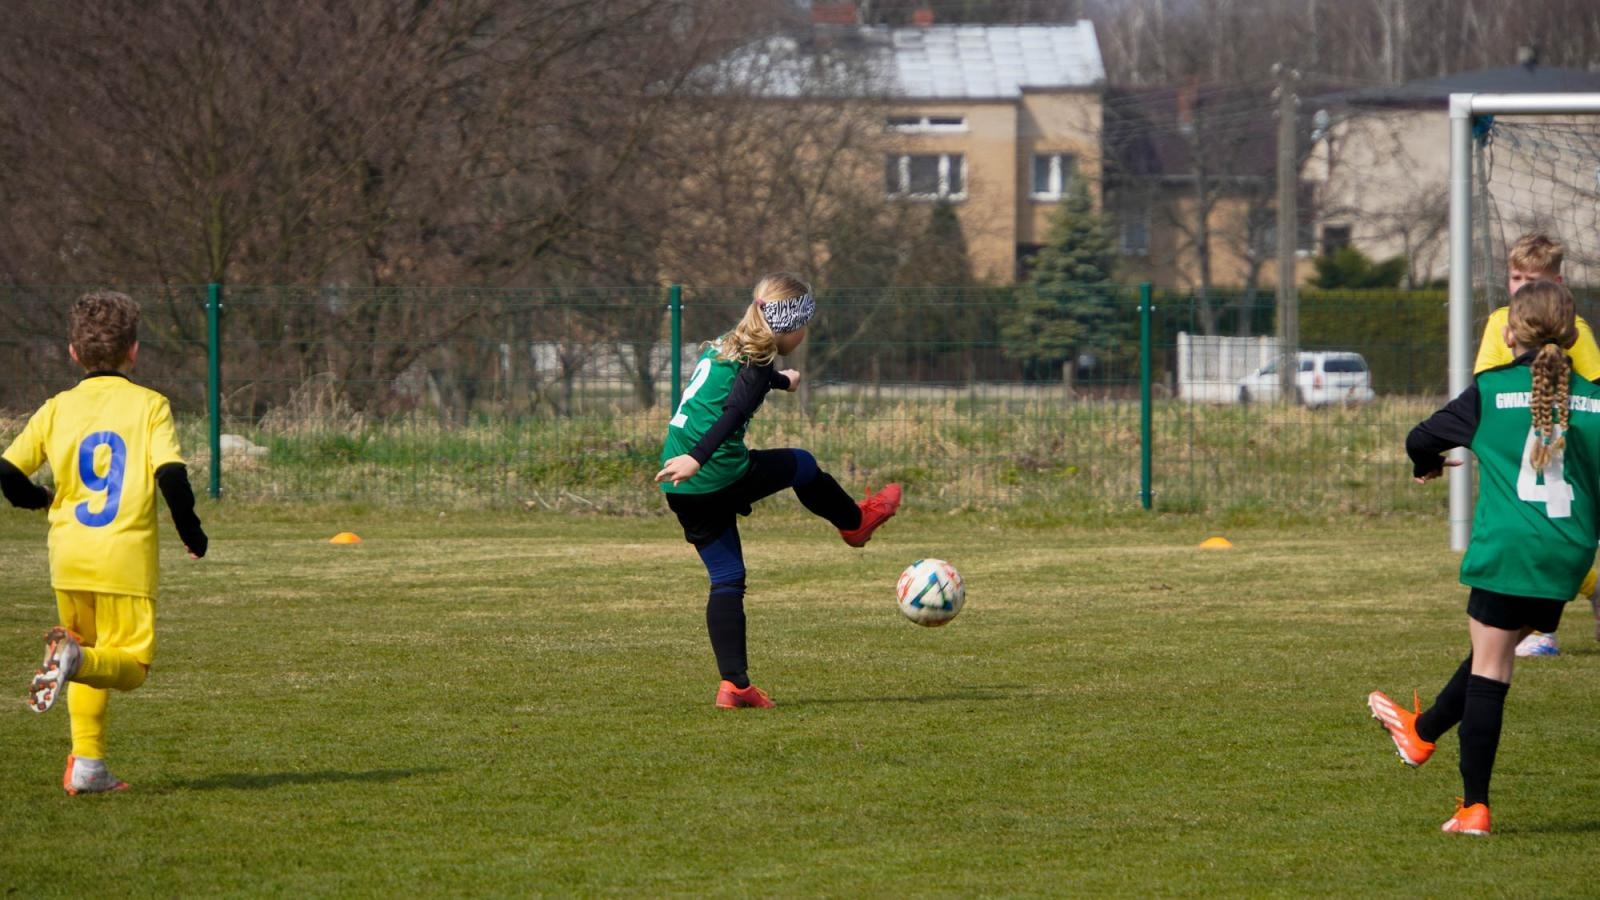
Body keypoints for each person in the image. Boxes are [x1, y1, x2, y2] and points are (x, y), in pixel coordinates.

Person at [1370, 280, 1600, 835]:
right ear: (1572, 334)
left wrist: (1427, 464)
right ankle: (1421, 732)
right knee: (1492, 649)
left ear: (1509, 331)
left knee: (1490, 670)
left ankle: (1474, 806)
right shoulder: (1595, 396)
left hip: (1510, 547)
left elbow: (1420, 437)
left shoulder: (1490, 390)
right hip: (1567, 555)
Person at [655, 272, 900, 709]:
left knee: (727, 578)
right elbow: (733, 412)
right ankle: (855, 523)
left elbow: (738, 386)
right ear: (789, 326)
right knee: (801, 464)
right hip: (710, 470)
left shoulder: (728, 344)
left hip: (682, 485)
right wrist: (699, 458)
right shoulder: (757, 366)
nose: (804, 335)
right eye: (804, 327)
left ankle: (735, 686)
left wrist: (782, 381)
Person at [2, 290, 208, 795]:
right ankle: (75, 661)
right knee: (129, 667)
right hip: (123, 559)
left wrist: (40, 499)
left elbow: (7, 472)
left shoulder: (57, 409)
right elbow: (172, 477)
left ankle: (88, 765)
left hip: (69, 558)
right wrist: (193, 534)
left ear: (73, 353)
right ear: (133, 350)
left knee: (84, 645)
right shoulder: (149, 405)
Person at [1472, 232, 1600, 656]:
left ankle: (1544, 630)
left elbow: (1592, 389)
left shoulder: (1574, 330)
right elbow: (1485, 387)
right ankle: (1591, 591)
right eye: (1516, 276)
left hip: (1561, 449)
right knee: (1523, 531)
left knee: (1549, 527)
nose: (1522, 287)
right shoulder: (1498, 322)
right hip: (1514, 450)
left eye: (1534, 278)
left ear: (1557, 283)